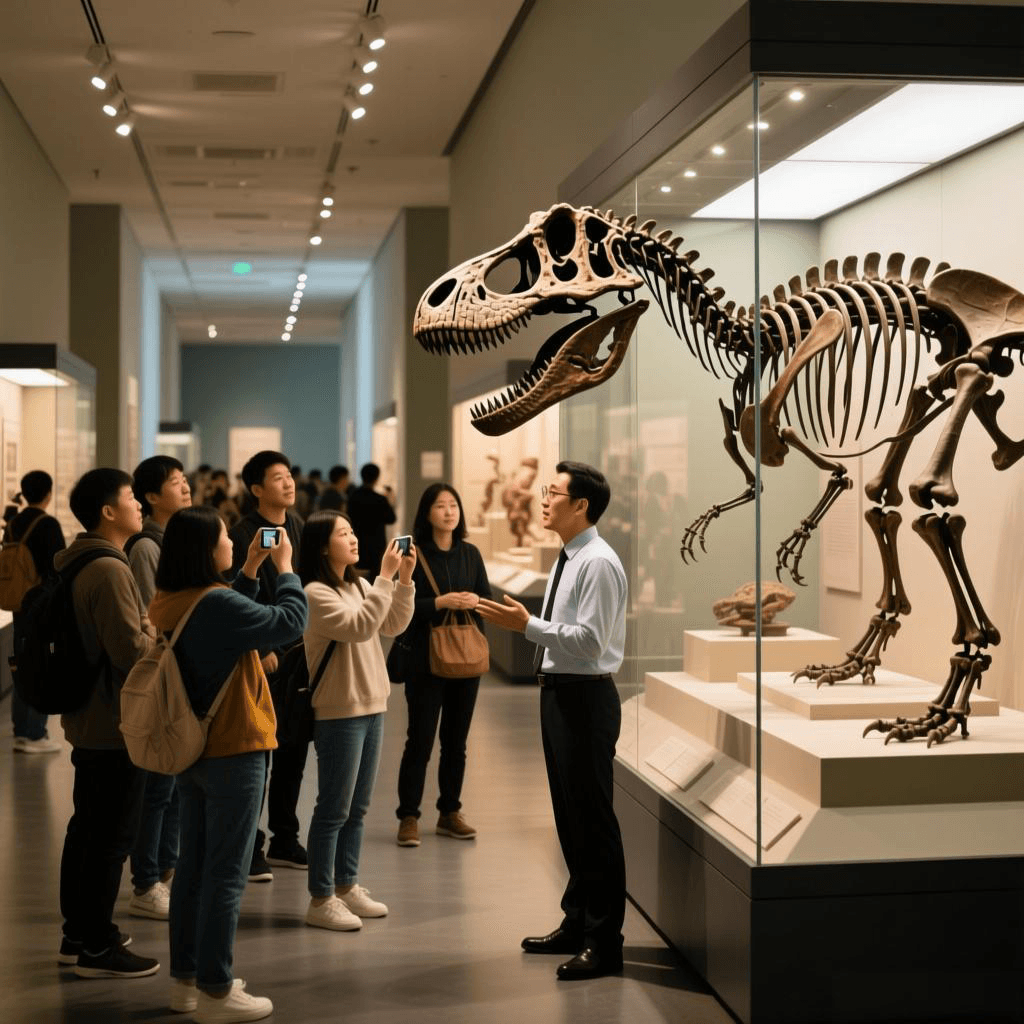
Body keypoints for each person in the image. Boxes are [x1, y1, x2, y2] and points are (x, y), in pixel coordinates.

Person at [150, 506, 306, 1022]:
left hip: (194, 749)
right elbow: (287, 624)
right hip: (235, 746)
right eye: (224, 537)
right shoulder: (213, 603)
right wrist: (283, 569)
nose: (232, 542)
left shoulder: (174, 600)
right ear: (204, 549)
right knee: (226, 873)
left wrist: (247, 573)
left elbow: (226, 621)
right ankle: (218, 989)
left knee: (192, 869)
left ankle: (186, 982)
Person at [477, 461, 627, 981]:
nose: (543, 499)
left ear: (581, 504)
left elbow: (591, 642)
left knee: (593, 821)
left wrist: (528, 625)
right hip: (561, 697)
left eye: (553, 492)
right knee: (570, 816)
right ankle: (578, 920)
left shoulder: (599, 563)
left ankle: (605, 941)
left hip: (585, 700)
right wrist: (528, 626)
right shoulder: (572, 558)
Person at [57, 468, 159, 979]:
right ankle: (97, 945)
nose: (138, 504)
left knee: (87, 828)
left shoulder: (77, 561)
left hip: (88, 717)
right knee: (111, 837)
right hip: (114, 721)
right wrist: (153, 633)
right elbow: (130, 652)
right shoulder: (110, 570)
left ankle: (78, 932)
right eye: (130, 498)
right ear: (107, 511)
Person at [299, 512, 415, 930]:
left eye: (352, 530)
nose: (353, 538)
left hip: (373, 704)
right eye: (343, 533)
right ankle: (320, 897)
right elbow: (360, 626)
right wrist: (385, 578)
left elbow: (393, 624)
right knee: (333, 808)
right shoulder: (314, 592)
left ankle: (346, 885)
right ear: (322, 546)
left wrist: (402, 581)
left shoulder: (361, 584)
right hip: (339, 710)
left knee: (358, 808)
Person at [394, 484, 491, 847]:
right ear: (426, 513)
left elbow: (487, 600)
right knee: (419, 740)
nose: (449, 512)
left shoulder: (471, 553)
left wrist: (473, 600)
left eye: (454, 505)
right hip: (424, 660)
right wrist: (440, 602)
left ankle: (450, 811)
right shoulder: (414, 555)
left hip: (466, 659)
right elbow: (400, 609)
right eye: (440, 505)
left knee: (456, 742)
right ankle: (408, 816)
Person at [228, 450, 306, 880]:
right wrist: (260, 650)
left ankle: (285, 837)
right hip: (264, 660)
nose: (288, 483)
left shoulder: (297, 526)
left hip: (298, 655)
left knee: (293, 749)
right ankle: (251, 844)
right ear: (257, 488)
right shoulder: (242, 533)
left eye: (289, 475)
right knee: (259, 754)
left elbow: (304, 584)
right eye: (278, 478)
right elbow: (239, 596)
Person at [124, 455, 192, 922]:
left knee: (170, 785)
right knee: (156, 788)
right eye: (175, 482)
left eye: (184, 479)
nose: (185, 486)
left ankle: (165, 871)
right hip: (163, 674)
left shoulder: (173, 540)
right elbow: (159, 614)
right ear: (151, 497)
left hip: (179, 671)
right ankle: (147, 880)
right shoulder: (148, 548)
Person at [7, 469, 66, 753]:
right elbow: (57, 566)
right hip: (42, 603)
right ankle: (35, 734)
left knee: (21, 663)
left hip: (18, 602)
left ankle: (22, 730)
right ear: (48, 493)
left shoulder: (13, 522)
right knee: (41, 665)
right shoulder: (47, 524)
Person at [346, 463, 396, 579]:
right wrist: (390, 500)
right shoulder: (380, 499)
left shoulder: (353, 496)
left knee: (357, 576)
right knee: (375, 577)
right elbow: (391, 519)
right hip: (376, 544)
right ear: (377, 478)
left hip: (357, 540)